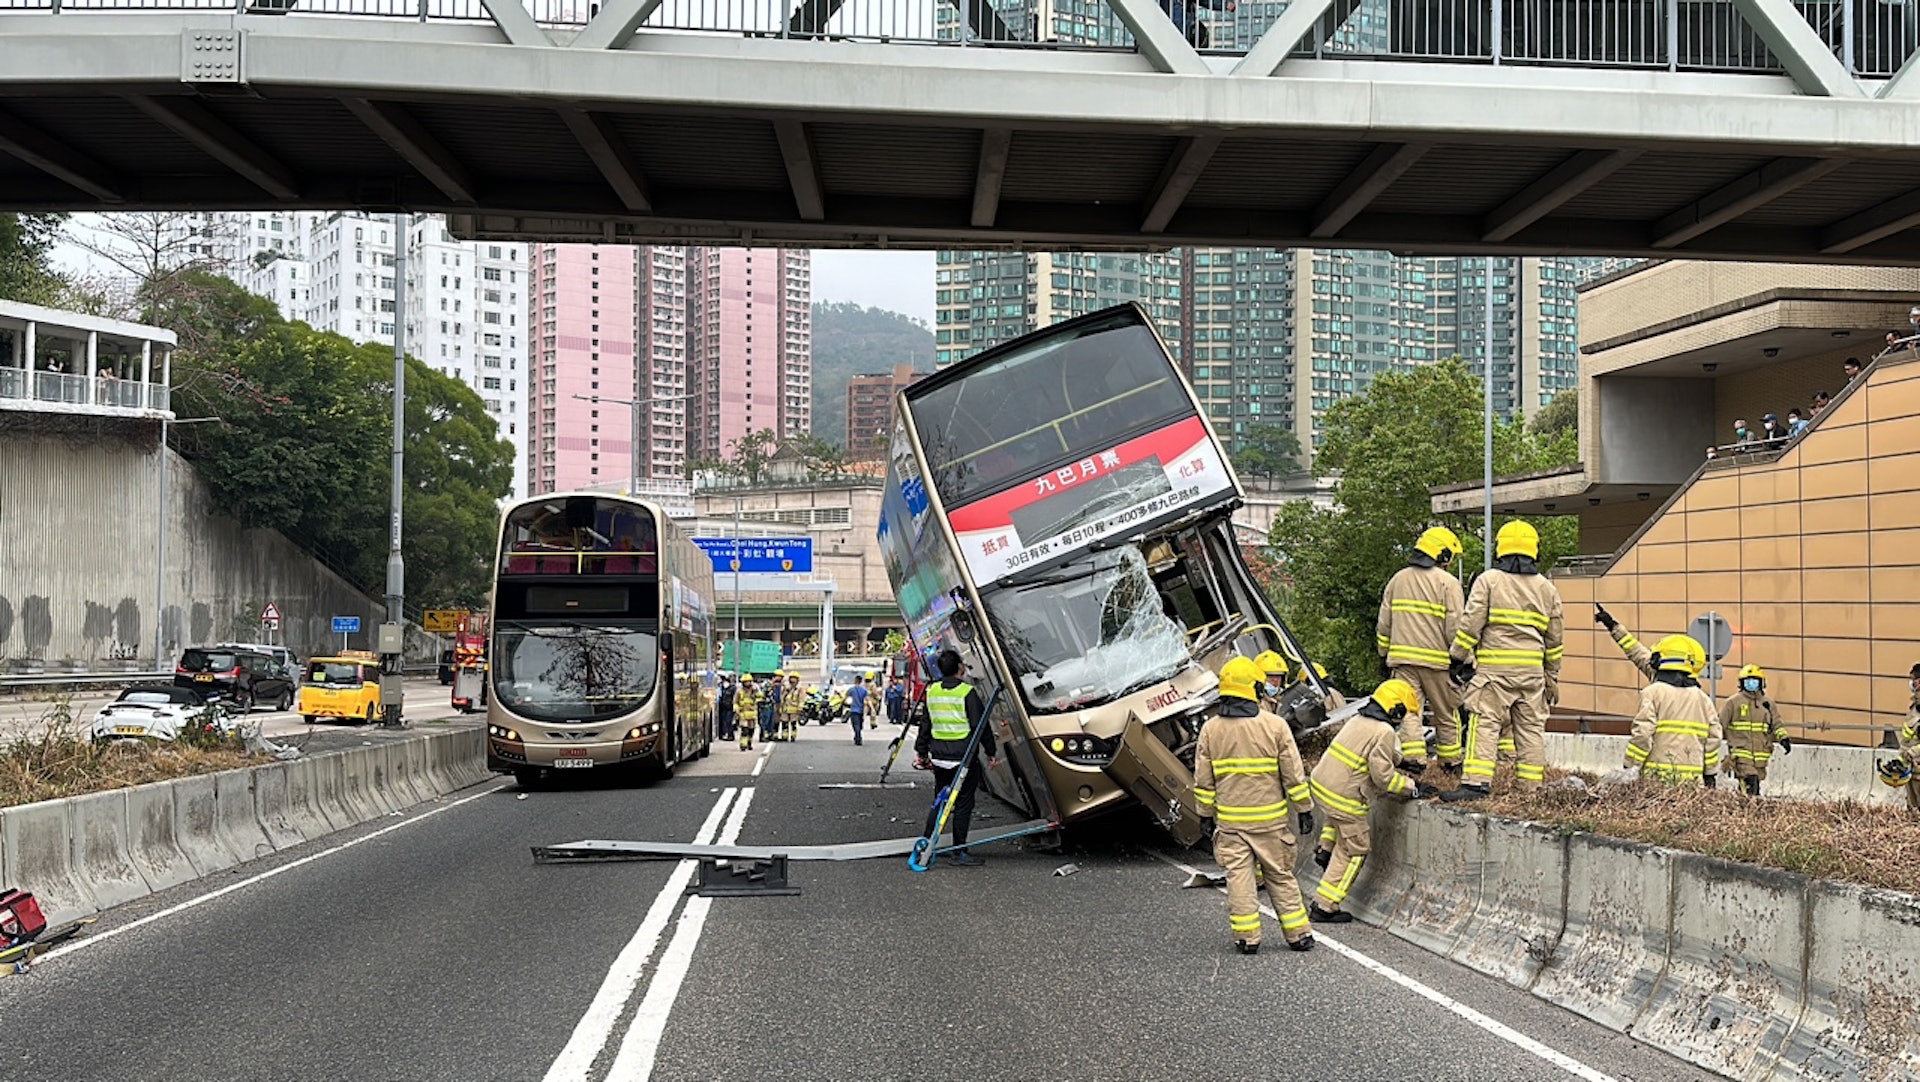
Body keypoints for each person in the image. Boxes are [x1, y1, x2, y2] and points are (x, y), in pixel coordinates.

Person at [1194, 655, 1315, 955]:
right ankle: (1299, 935)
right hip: (1271, 825)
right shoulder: (1275, 726)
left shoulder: (1211, 730)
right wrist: (1304, 808)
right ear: (1256, 688)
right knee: (1280, 877)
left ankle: (1247, 938)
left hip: (1232, 826)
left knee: (1240, 880)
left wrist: (1205, 816)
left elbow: (1204, 780)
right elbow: (1293, 773)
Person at [1444, 520, 1565, 802]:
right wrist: (1551, 676)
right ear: (1533, 550)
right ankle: (1531, 788)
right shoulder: (1547, 589)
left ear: (1501, 548)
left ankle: (1476, 784)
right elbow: (1555, 639)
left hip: (1494, 671)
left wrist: (1458, 657)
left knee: (1484, 722)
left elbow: (1471, 623)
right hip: (1532, 674)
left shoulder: (1489, 581)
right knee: (1530, 729)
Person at [1307, 679, 1425, 924]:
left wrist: (1401, 762)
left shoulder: (1359, 720)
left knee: (1337, 819)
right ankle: (1325, 905)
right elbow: (1382, 778)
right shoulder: (1384, 731)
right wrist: (1411, 786)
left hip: (1322, 785)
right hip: (1344, 798)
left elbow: (1370, 750)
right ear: (1396, 710)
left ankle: (1325, 849)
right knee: (1355, 849)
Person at [1376, 526, 1466, 774]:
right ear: (1444, 555)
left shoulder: (1398, 579)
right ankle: (1451, 763)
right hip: (1438, 664)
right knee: (1446, 713)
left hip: (1403, 661)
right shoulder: (1449, 584)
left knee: (1409, 713)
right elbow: (1456, 626)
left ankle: (1415, 761)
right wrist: (1463, 659)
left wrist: (1384, 653)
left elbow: (1384, 622)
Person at [914, 649, 997, 867]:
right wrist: (991, 751)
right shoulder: (966, 692)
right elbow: (980, 727)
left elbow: (925, 725)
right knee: (963, 804)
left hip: (940, 758)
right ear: (960, 667)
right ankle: (959, 851)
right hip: (963, 758)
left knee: (940, 802)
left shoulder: (932, 692)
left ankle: (928, 842)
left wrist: (921, 752)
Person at [1624, 635, 1722, 786]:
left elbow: (1643, 734)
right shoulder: (1703, 699)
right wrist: (1710, 774)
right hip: (1692, 783)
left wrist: (1630, 765)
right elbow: (1713, 739)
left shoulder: (1652, 693)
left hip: (1656, 781)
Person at [1720, 664, 1789, 796]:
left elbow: (1777, 723)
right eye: (1748, 681)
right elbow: (1719, 725)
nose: (1751, 684)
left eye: (1754, 681)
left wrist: (1783, 738)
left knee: (1752, 788)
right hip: (1741, 756)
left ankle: (1745, 813)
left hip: (1761, 757)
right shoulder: (1733, 703)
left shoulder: (1767, 704)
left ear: (1761, 683)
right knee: (1751, 784)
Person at [1593, 604, 1657, 682]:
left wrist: (1613, 626)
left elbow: (1637, 653)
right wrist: (1612, 626)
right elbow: (1637, 651)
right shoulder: (1660, 674)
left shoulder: (1659, 678)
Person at [779, 673, 805, 742]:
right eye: (791, 678)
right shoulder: (786, 687)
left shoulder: (799, 689)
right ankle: (784, 736)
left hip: (794, 709)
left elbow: (801, 699)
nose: (792, 680)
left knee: (793, 723)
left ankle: (793, 736)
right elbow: (782, 697)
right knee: (784, 723)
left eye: (794, 678)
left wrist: (800, 708)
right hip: (785, 708)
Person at [735, 675, 759, 751]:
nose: (747, 683)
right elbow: (735, 701)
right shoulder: (739, 691)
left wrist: (755, 694)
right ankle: (743, 744)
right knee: (744, 730)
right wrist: (736, 708)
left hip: (752, 714)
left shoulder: (754, 691)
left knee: (751, 730)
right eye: (746, 682)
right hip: (743, 714)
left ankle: (749, 742)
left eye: (749, 682)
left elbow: (760, 698)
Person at [846, 675, 870, 744]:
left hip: (854, 710)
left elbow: (846, 698)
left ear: (855, 681)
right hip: (861, 710)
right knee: (859, 725)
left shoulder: (851, 690)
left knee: (855, 725)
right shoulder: (864, 690)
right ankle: (857, 736)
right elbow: (867, 699)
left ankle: (858, 738)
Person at [717, 676, 737, 742]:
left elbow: (734, 698)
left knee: (729, 721)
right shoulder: (722, 688)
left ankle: (730, 735)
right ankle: (723, 734)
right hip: (723, 707)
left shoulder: (733, 688)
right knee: (723, 722)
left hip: (730, 708)